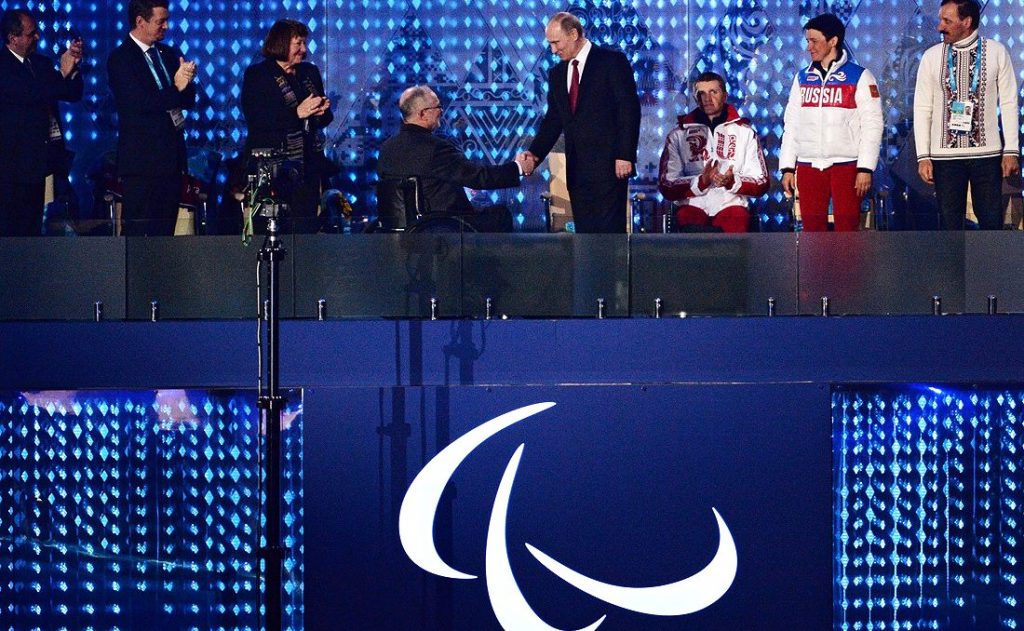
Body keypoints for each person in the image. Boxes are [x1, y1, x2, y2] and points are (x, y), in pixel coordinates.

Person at [522, 12, 641, 233]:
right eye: (550, 44)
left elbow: (628, 110)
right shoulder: (557, 73)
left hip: (610, 166)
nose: (553, 50)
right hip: (578, 169)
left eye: (556, 43)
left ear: (574, 34)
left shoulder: (611, 61)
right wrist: (534, 154)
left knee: (608, 236)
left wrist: (625, 154)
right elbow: (553, 120)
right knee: (585, 236)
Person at [914, 0, 1019, 230]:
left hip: (987, 155)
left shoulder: (996, 51)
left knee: (991, 222)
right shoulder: (931, 57)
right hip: (945, 158)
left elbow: (1009, 102)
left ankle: (990, 267)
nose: (940, 27)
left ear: (967, 22)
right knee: (950, 224)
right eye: (941, 19)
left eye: (947, 21)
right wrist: (923, 156)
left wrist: (1011, 150)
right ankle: (952, 267)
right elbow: (922, 108)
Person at [779, 13, 883, 232]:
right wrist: (788, 167)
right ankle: (816, 268)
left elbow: (873, 125)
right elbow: (792, 125)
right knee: (812, 231)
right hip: (808, 166)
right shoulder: (801, 79)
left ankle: (848, 268)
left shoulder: (860, 76)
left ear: (833, 41)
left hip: (846, 165)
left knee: (847, 230)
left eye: (814, 41)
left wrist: (865, 167)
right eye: (807, 41)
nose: (809, 47)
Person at [377, 85, 532, 232]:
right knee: (500, 214)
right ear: (423, 114)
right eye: (437, 107)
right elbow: (478, 177)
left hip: (401, 232)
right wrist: (518, 167)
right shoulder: (434, 148)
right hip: (444, 227)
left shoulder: (386, 149)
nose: (441, 111)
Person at [107, 0, 197, 236]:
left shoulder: (168, 54)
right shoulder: (121, 59)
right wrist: (176, 88)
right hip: (142, 163)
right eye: (160, 21)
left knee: (166, 233)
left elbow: (187, 100)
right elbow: (139, 104)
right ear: (140, 21)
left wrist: (187, 82)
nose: (166, 26)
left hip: (171, 159)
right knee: (140, 232)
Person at [241, 19, 334, 233]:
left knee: (305, 227)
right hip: (273, 167)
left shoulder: (309, 72)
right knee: (274, 228)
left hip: (307, 165)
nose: (304, 50)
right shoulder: (258, 75)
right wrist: (297, 114)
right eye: (298, 44)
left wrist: (320, 112)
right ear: (282, 43)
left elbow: (323, 117)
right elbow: (257, 119)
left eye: (304, 43)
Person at [0, 9, 83, 236]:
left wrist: (73, 67)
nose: (37, 37)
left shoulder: (41, 64)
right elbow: (33, 93)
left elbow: (71, 92)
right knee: (13, 231)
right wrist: (62, 74)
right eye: (31, 33)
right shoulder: (4, 67)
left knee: (35, 230)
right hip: (13, 168)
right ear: (12, 38)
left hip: (43, 163)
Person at [657, 71, 769, 232]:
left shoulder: (745, 133)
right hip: (692, 205)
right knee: (687, 222)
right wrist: (701, 181)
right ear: (696, 98)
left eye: (713, 92)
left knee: (736, 222)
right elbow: (666, 184)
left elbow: (762, 182)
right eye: (701, 93)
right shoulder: (678, 134)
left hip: (731, 205)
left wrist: (731, 181)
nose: (707, 98)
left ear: (725, 96)